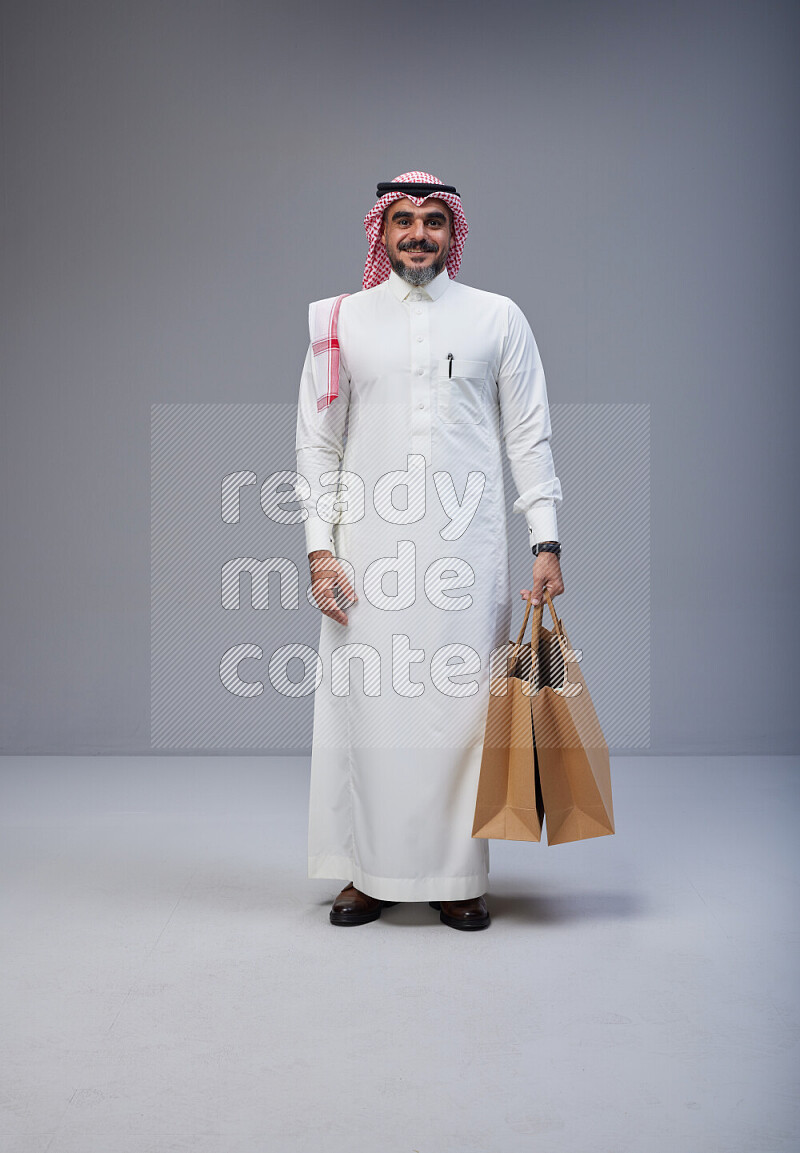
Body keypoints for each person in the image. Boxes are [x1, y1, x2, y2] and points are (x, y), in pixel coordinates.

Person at [294, 172, 563, 931]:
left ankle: (456, 875)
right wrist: (320, 550)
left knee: (463, 713)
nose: (417, 234)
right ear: (380, 232)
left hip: (465, 551)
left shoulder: (497, 319)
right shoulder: (337, 320)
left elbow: (529, 436)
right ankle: (368, 873)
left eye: (433, 221)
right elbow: (317, 443)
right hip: (365, 554)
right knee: (369, 707)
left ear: (454, 233)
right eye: (403, 221)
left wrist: (546, 538)